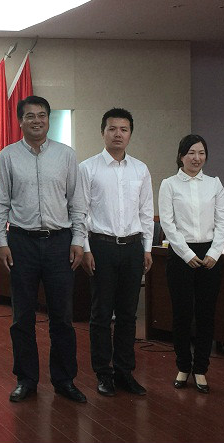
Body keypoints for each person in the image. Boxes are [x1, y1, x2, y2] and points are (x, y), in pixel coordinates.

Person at [0, 95, 88, 404]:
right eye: (30, 116)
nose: (37, 120)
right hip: (22, 242)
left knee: (62, 316)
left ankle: (64, 380)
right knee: (22, 316)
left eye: (42, 115)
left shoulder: (66, 155)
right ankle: (26, 379)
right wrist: (2, 242)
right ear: (20, 121)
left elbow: (77, 202)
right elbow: (1, 204)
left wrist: (78, 240)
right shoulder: (7, 156)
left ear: (48, 119)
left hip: (60, 242)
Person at [78, 108, 153, 397]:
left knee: (128, 314)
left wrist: (147, 248)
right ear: (103, 132)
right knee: (100, 313)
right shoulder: (88, 168)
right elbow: (81, 213)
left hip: (133, 247)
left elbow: (146, 212)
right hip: (101, 246)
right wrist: (86, 249)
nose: (118, 134)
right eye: (112, 129)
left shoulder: (140, 169)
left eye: (124, 129)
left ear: (130, 134)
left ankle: (124, 372)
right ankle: (103, 373)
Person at [159, 134, 224, 394]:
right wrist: (187, 254)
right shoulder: (169, 184)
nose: (196, 158)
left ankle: (201, 369)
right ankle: (182, 366)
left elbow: (222, 221)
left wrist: (215, 252)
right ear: (181, 156)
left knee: (205, 314)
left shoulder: (214, 184)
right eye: (191, 153)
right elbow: (168, 224)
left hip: (210, 255)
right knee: (181, 313)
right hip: (181, 254)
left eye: (201, 153)